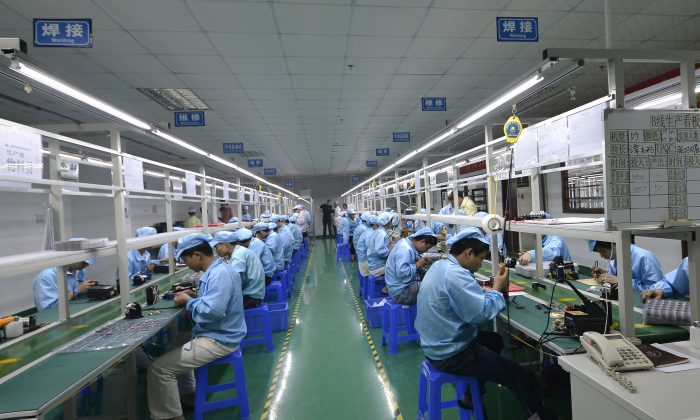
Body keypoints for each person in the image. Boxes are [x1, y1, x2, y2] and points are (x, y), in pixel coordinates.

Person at [415, 228, 556, 420]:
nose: (481, 265)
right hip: (452, 354)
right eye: (481, 259)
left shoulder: (442, 266)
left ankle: (470, 396)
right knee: (519, 377)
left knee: (494, 340)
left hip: (435, 344)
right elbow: (480, 315)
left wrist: (491, 292)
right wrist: (497, 289)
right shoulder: (456, 275)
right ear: (468, 253)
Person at [147, 233, 246, 420]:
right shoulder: (216, 270)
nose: (187, 264)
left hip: (220, 339)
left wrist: (188, 301)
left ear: (197, 255)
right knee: (172, 348)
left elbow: (214, 312)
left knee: (159, 369)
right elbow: (214, 302)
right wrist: (195, 296)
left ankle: (171, 416)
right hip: (217, 332)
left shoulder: (219, 274)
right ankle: (188, 394)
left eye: (186, 259)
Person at [33, 238, 97, 310]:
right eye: (84, 262)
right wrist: (76, 291)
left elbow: (78, 296)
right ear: (73, 256)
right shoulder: (46, 277)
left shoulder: (80, 271)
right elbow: (47, 309)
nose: (87, 265)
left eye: (88, 263)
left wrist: (89, 288)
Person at [588, 240, 668, 295]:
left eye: (603, 251)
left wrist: (622, 282)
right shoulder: (614, 258)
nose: (602, 256)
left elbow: (655, 290)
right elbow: (615, 280)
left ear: (614, 244)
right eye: (599, 252)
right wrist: (605, 276)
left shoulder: (645, 258)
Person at [385, 227, 438, 304]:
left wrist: (420, 260)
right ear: (422, 242)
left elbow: (410, 259)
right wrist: (417, 264)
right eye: (427, 248)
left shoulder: (406, 243)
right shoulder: (405, 249)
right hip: (401, 293)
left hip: (397, 286)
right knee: (434, 287)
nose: (426, 251)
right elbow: (402, 273)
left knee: (427, 276)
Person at [230, 229, 266, 308]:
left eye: (217, 246)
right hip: (256, 291)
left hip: (253, 296)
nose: (216, 250)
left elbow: (236, 280)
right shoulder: (243, 250)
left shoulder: (239, 254)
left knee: (224, 308)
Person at [366, 212, 393, 277]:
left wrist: (388, 243)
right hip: (377, 267)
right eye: (391, 220)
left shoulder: (378, 231)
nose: (392, 222)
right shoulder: (381, 233)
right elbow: (379, 251)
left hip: (373, 263)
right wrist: (389, 249)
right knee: (396, 270)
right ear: (387, 222)